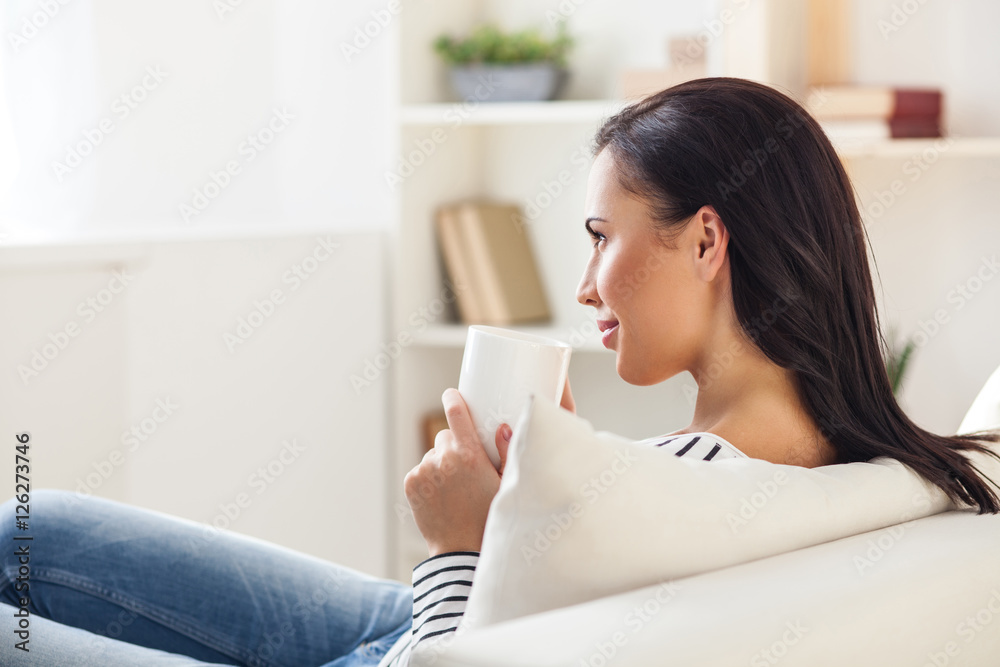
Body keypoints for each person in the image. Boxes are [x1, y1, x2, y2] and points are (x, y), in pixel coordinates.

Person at [3, 77, 998, 666]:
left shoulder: (687, 482)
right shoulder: (875, 467)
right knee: (30, 529)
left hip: (417, 640)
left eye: (601, 236)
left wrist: (458, 541)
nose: (585, 284)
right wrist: (549, 493)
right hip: (417, 621)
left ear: (706, 241)